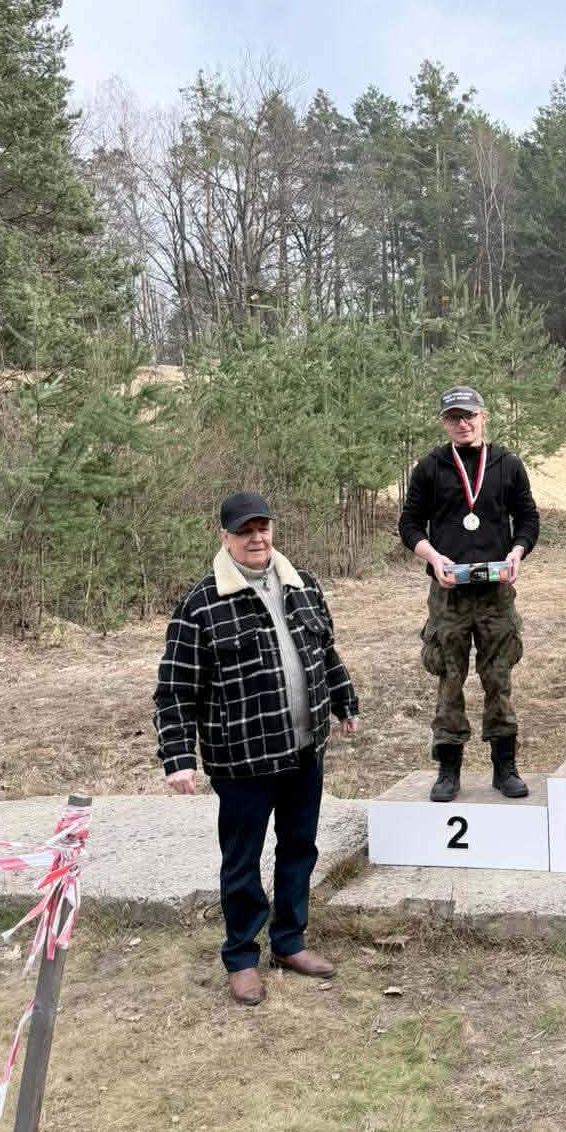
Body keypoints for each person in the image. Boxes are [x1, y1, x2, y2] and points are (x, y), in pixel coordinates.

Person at [154, 492, 359, 1006]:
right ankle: (241, 957)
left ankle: (289, 942)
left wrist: (344, 701)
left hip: (305, 749)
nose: (256, 538)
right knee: (242, 861)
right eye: (244, 531)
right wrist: (178, 758)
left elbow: (324, 651)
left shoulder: (302, 584)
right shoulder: (201, 604)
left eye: (262, 528)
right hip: (241, 758)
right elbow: (175, 689)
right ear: (225, 537)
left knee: (299, 848)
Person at [399, 386, 540, 803]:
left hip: (496, 593)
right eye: (453, 417)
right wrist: (433, 557)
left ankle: (504, 767)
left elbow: (528, 518)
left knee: (499, 678)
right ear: (444, 422)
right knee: (449, 678)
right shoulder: (430, 467)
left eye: (469, 416)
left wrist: (517, 552)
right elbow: (409, 524)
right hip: (449, 595)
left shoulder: (507, 464)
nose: (462, 424)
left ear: (484, 416)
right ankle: (448, 769)